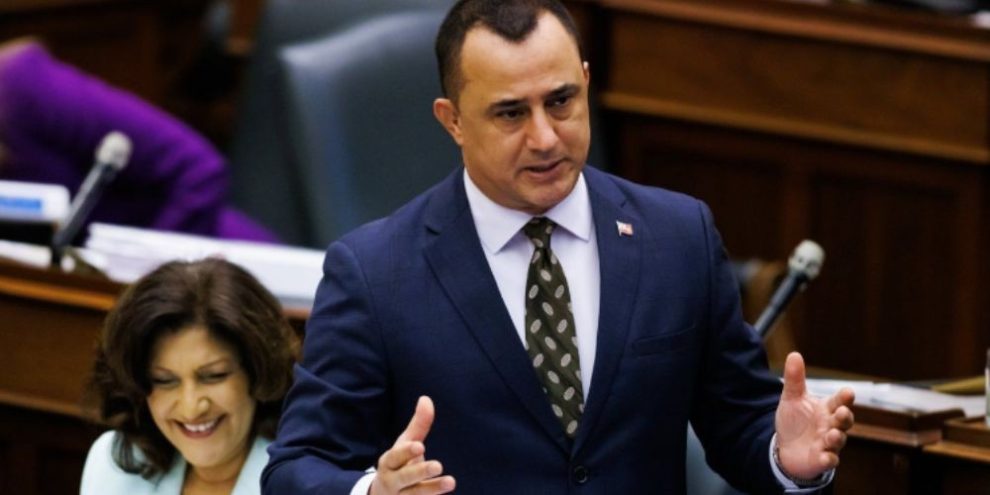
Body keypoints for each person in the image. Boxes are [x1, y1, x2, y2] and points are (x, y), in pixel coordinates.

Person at [263, 0, 855, 493]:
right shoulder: (375, 273)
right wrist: (371, 491)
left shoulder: (678, 238)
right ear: (453, 121)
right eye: (511, 113)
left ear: (588, 84)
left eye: (561, 101)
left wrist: (786, 457)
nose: (545, 137)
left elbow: (738, 425)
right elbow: (296, 467)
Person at [0, 39, 277, 243]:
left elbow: (200, 169)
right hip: (85, 299)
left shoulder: (23, 86)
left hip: (217, 276)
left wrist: (146, 291)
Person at [81, 258, 297, 494]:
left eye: (214, 376)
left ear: (258, 372)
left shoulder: (307, 482)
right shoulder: (115, 463)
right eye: (165, 381)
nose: (191, 407)